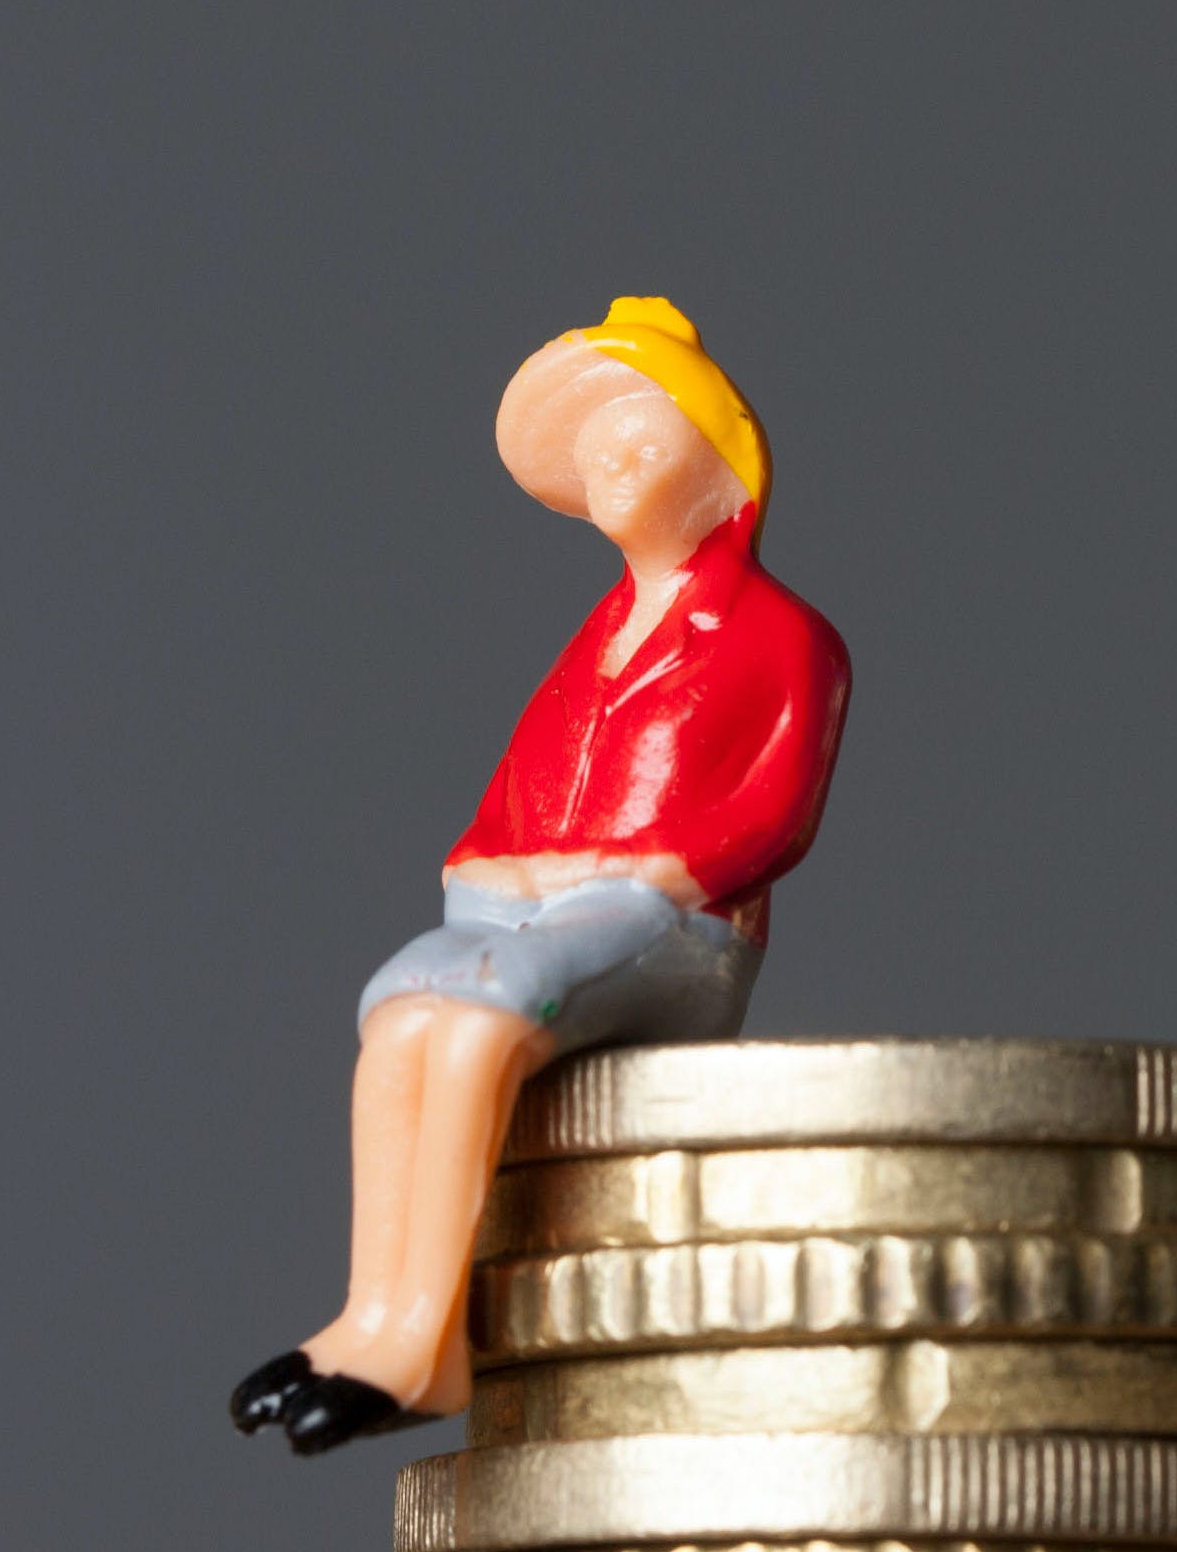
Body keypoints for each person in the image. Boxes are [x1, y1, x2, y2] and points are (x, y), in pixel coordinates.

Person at [228, 299, 853, 1456]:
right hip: (523, 907)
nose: (611, 457)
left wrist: (654, 872)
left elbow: (774, 816)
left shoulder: (780, 635)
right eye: (596, 443)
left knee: (478, 1030)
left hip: (677, 928)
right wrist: (482, 866)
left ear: (725, 465)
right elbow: (508, 794)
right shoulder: (595, 636)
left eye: (644, 432)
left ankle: (427, 1341)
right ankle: (366, 1315)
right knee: (401, 1018)